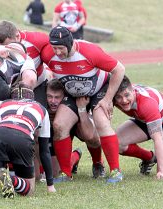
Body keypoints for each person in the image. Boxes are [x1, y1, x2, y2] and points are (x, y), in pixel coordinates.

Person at [41, 26, 125, 183]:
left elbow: (119, 69)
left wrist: (107, 99)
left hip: (97, 91)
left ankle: (115, 171)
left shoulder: (89, 51)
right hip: (72, 94)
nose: (57, 52)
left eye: (60, 48)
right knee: (59, 125)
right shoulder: (48, 54)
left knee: (100, 121)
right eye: (54, 48)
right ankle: (66, 173)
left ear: (70, 43)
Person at [40, 79, 105, 181]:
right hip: (59, 133)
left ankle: (97, 163)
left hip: (77, 126)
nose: (53, 101)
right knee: (54, 173)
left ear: (65, 96)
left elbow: (90, 132)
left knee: (91, 136)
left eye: (57, 97)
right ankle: (75, 156)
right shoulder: (42, 104)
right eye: (49, 96)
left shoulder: (75, 100)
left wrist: (81, 109)